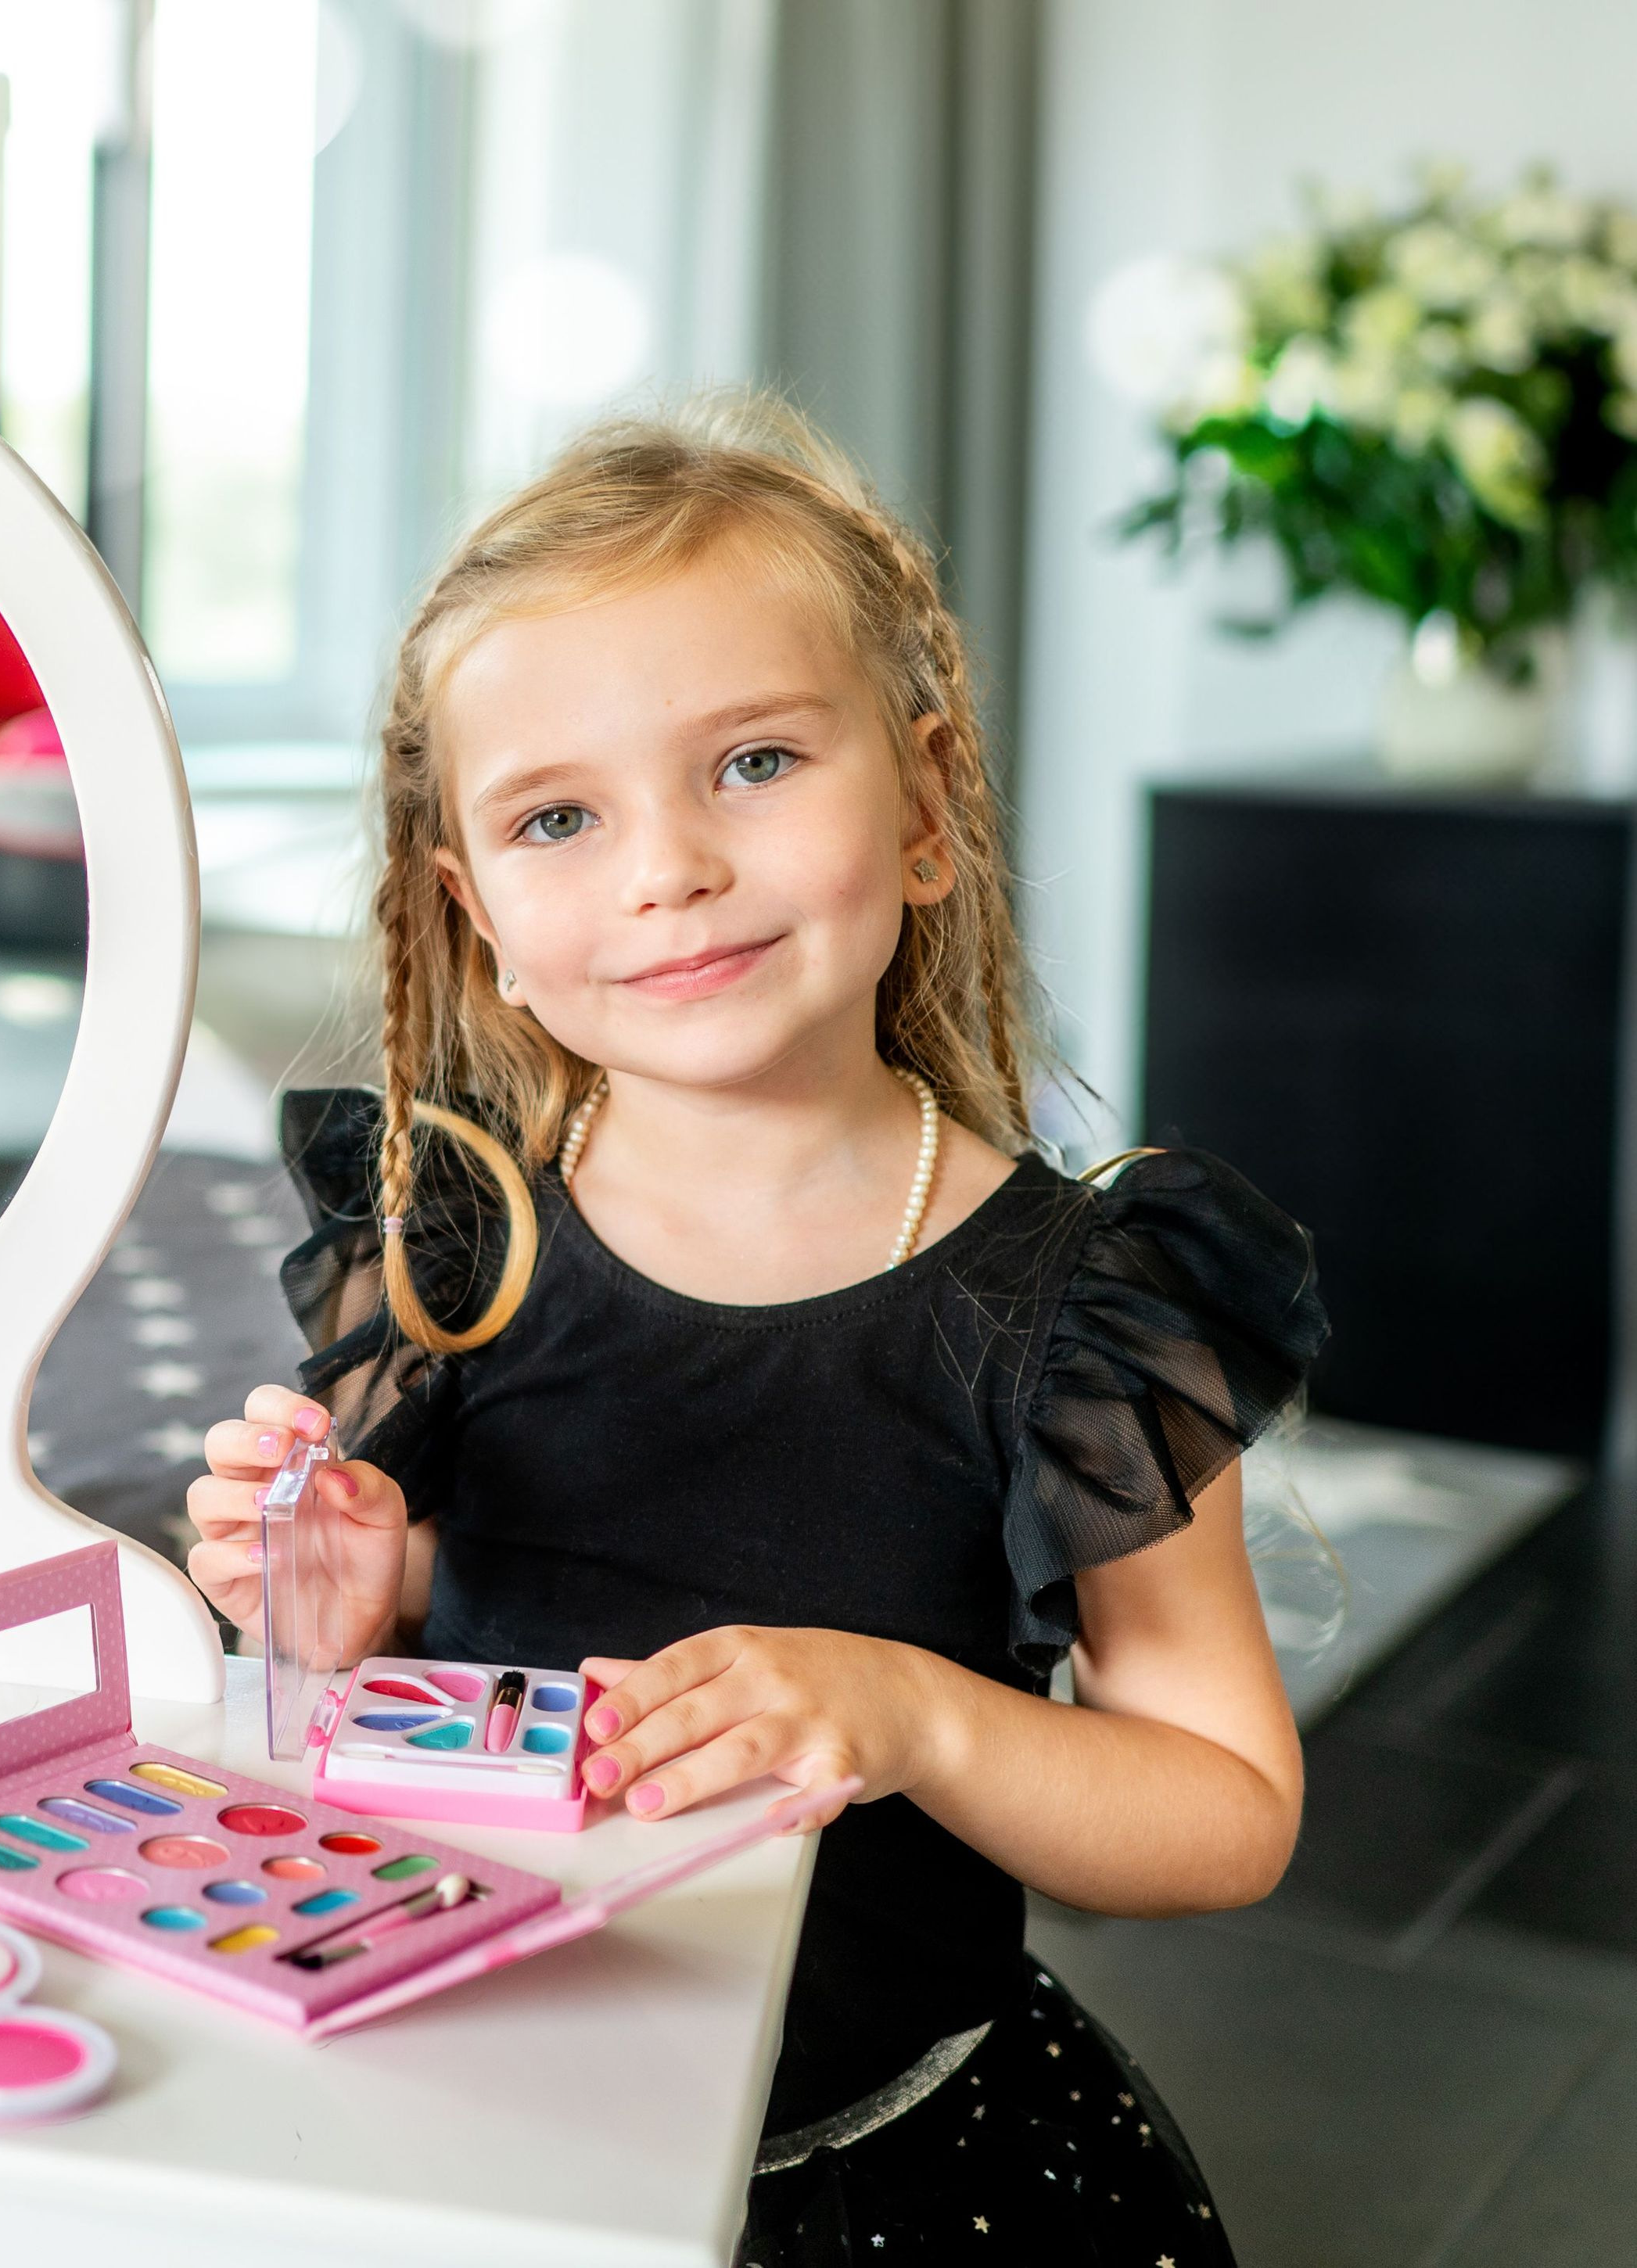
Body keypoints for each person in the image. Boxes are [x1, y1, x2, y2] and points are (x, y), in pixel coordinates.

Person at [185, 395, 1325, 2265]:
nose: (666, 868)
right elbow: (404, 1661)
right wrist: (341, 1595)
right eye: (558, 816)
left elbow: (1222, 1808)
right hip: (477, 2130)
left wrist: (913, 1715)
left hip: (883, 2176)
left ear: (925, 807)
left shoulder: (1078, 1306)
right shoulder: (451, 1245)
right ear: (477, 918)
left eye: (753, 762)